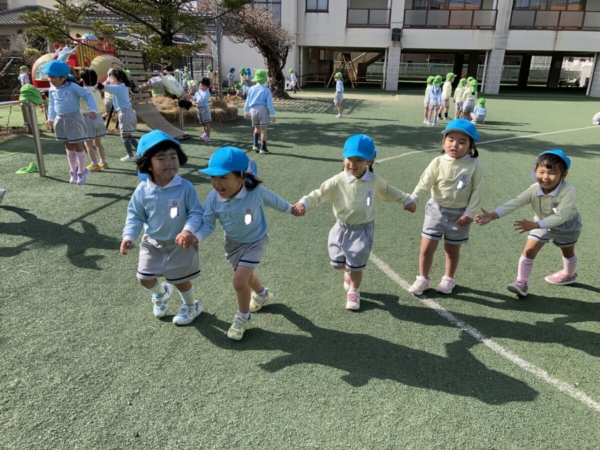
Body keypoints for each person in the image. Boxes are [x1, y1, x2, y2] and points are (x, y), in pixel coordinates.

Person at [292, 135, 414, 310]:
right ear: (344, 158)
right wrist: (304, 203)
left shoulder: (374, 181)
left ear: (370, 161)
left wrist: (406, 199)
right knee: (336, 263)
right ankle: (347, 273)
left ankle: (354, 291)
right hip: (340, 227)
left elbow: (388, 191)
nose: (353, 164)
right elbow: (318, 194)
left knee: (356, 266)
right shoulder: (337, 181)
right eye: (349, 158)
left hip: (362, 230)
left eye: (359, 159)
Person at [196, 147, 295, 340]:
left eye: (223, 177)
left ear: (241, 177)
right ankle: (262, 294)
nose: (216, 183)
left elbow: (275, 201)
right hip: (232, 244)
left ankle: (243, 317)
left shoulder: (256, 192)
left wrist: (292, 209)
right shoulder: (213, 198)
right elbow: (207, 223)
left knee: (239, 281)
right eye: (213, 177)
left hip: (255, 242)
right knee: (247, 278)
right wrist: (195, 236)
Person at [120, 130, 204, 325]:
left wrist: (187, 230)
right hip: (153, 242)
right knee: (144, 278)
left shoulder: (185, 187)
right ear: (148, 164)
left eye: (173, 156)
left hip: (180, 244)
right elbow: (135, 215)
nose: (169, 162)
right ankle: (161, 292)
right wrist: (129, 237)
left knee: (180, 280)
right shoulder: (142, 190)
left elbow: (196, 212)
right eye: (161, 158)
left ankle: (192, 306)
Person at [475, 150, 581, 297]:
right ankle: (521, 283)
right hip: (540, 224)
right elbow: (516, 202)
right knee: (529, 251)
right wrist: (493, 215)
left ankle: (569, 274)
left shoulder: (568, 190)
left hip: (567, 224)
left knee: (567, 251)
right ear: (535, 171)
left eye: (552, 173)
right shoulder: (534, 189)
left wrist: (536, 225)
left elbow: (561, 216)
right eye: (541, 171)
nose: (545, 177)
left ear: (563, 175)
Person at [405, 119, 483, 295]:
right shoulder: (438, 162)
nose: (455, 144)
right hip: (436, 211)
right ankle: (423, 279)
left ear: (471, 145)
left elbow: (477, 190)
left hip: (460, 215)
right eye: (451, 139)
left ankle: (449, 278)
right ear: (444, 141)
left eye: (462, 142)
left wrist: (470, 213)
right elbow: (425, 183)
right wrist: (415, 199)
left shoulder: (474, 165)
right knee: (426, 248)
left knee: (452, 249)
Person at [44, 60, 97, 185]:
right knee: (68, 145)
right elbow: (52, 104)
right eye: (49, 77)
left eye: (53, 77)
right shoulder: (52, 89)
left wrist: (92, 109)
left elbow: (88, 95)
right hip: (60, 119)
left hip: (74, 118)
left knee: (78, 145)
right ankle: (73, 170)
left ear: (63, 77)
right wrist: (51, 118)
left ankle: (82, 171)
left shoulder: (72, 86)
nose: (51, 79)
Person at [97, 69, 139, 162]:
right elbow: (107, 86)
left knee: (124, 136)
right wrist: (109, 79)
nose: (111, 80)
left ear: (119, 79)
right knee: (128, 135)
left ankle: (130, 155)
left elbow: (101, 86)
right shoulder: (123, 86)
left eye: (112, 78)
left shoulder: (118, 88)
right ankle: (140, 152)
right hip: (128, 112)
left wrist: (93, 82)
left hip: (124, 114)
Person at [79, 69, 108, 172]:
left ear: (82, 80)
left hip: (88, 117)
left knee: (88, 144)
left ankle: (94, 164)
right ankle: (103, 162)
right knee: (98, 143)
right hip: (99, 117)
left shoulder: (82, 91)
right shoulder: (97, 91)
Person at [244, 69, 276, 154]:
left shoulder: (251, 89)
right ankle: (263, 148)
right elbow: (269, 103)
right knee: (263, 129)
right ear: (265, 79)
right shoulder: (266, 90)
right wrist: (273, 114)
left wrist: (246, 111)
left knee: (256, 128)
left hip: (252, 110)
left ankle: (255, 145)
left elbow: (247, 101)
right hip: (262, 109)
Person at [194, 77, 212, 142]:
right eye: (201, 85)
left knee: (206, 122)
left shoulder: (207, 92)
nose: (202, 87)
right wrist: (191, 97)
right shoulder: (198, 92)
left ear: (207, 86)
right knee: (203, 123)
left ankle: (208, 136)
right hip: (199, 108)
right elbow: (194, 97)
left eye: (204, 86)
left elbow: (203, 98)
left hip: (204, 109)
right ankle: (205, 134)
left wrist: (198, 101)